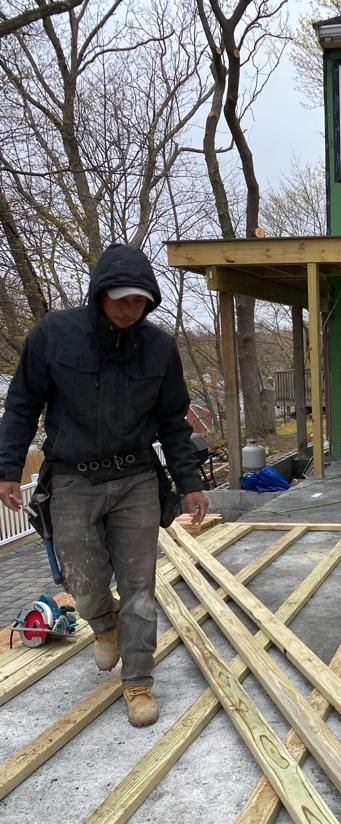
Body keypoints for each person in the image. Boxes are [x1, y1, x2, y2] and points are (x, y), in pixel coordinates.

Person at [0, 243, 208, 727]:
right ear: (100, 294)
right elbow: (23, 404)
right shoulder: (55, 336)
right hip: (72, 479)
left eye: (138, 301)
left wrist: (190, 483)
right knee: (81, 582)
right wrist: (8, 468)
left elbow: (173, 422)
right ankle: (103, 621)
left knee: (139, 586)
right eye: (121, 298)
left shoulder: (158, 348)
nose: (129, 309)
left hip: (136, 479)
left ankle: (138, 683)